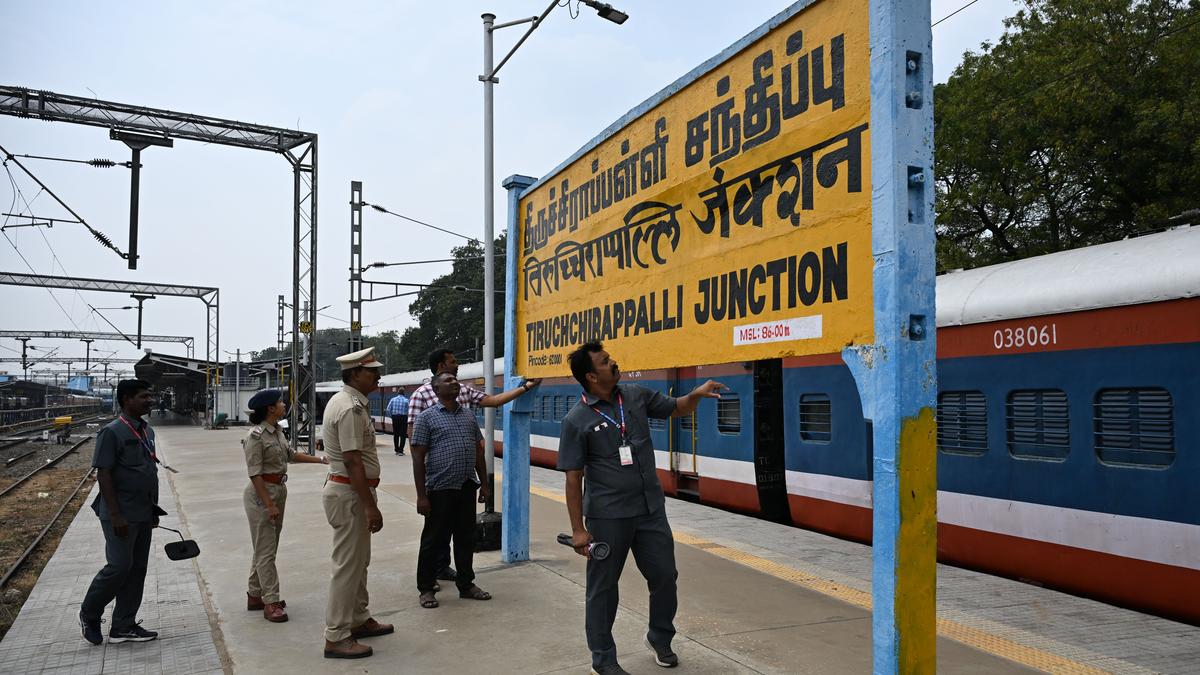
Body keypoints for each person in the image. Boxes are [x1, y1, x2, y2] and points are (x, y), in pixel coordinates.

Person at [558, 342, 725, 675]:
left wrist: (697, 393)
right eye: (605, 362)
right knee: (603, 588)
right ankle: (603, 658)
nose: (613, 363)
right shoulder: (576, 420)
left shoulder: (634, 396)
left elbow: (677, 407)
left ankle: (659, 636)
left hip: (650, 510)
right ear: (591, 376)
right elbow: (573, 479)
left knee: (665, 576)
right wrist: (579, 529)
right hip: (607, 516)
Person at [406, 347, 540, 582]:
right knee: (436, 534)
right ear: (440, 368)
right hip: (439, 479)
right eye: (453, 363)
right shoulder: (421, 399)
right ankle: (429, 580)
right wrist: (422, 491)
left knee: (463, 534)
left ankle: (460, 579)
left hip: (465, 479)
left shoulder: (465, 401)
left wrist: (525, 387)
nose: (457, 367)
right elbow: (415, 445)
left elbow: (493, 402)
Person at [79, 379, 166, 646]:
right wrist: (116, 515)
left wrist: (153, 510)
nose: (150, 400)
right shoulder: (112, 432)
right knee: (118, 566)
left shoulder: (146, 431)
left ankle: (123, 626)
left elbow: (150, 473)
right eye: (144, 396)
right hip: (120, 513)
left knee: (137, 568)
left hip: (143, 511)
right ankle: (90, 613)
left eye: (150, 396)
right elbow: (103, 474)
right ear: (127, 399)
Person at [320, 347, 394, 659]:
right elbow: (352, 462)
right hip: (350, 494)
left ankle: (358, 619)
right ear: (354, 375)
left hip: (353, 492)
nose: (378, 375)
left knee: (359, 562)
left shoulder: (352, 403)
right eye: (372, 371)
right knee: (347, 566)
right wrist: (369, 505)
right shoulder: (349, 408)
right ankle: (336, 635)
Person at [411, 372, 498, 608]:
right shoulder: (426, 418)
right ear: (436, 389)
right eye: (447, 381)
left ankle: (466, 584)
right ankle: (426, 589)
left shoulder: (468, 415)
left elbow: (478, 452)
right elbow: (418, 458)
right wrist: (421, 495)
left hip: (466, 486)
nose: (454, 383)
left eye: (454, 380)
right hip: (439, 488)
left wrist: (485, 485)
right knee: (434, 540)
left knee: (465, 539)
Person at [242, 388, 328, 623]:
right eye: (280, 403)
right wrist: (269, 504)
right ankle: (271, 601)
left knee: (265, 546)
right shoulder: (256, 437)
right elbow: (255, 474)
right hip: (262, 494)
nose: (284, 406)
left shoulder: (278, 432)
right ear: (270, 408)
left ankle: (254, 594)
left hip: (279, 490)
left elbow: (290, 455)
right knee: (266, 549)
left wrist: (320, 459)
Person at [385, 389, 410, 455]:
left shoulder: (393, 399)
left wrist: (391, 416)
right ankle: (401, 451)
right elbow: (409, 410)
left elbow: (388, 409)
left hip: (395, 417)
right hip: (403, 417)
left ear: (398, 393)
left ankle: (396, 450)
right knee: (403, 435)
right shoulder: (406, 400)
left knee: (396, 434)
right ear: (404, 393)